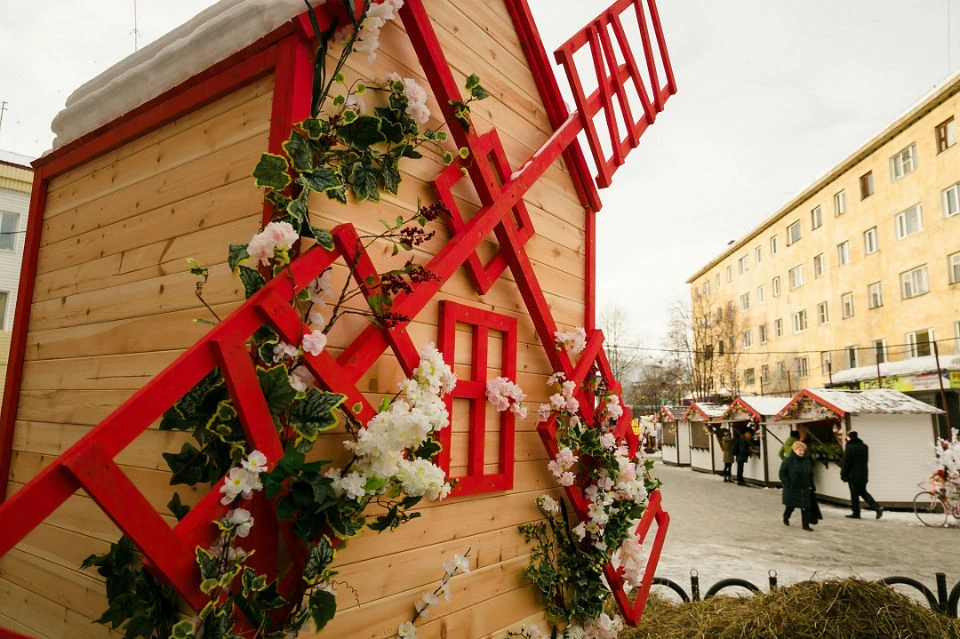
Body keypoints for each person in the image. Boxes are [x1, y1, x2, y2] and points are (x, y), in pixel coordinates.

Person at [841, 431, 883, 519]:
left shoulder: (849, 447)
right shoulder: (864, 447)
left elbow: (847, 462)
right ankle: (877, 507)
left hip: (853, 475)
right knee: (863, 492)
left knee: (854, 494)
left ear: (849, 437)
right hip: (863, 474)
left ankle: (857, 513)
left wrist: (843, 474)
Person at [780, 441, 816, 530]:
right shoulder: (787, 461)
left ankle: (806, 525)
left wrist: (812, 485)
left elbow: (810, 475)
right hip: (792, 488)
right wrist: (787, 484)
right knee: (790, 506)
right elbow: (782, 474)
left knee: (806, 507)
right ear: (794, 450)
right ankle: (786, 517)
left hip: (804, 488)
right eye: (799, 450)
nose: (801, 452)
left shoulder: (806, 462)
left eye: (803, 450)